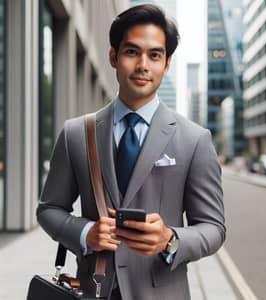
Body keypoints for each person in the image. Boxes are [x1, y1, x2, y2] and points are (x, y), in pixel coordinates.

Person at [37, 4, 225, 300]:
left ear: (166, 64)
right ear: (113, 56)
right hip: (93, 290)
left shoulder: (195, 139)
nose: (142, 65)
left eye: (154, 55)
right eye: (131, 52)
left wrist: (170, 239)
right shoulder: (76, 133)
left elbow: (213, 228)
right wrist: (87, 233)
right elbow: (48, 209)